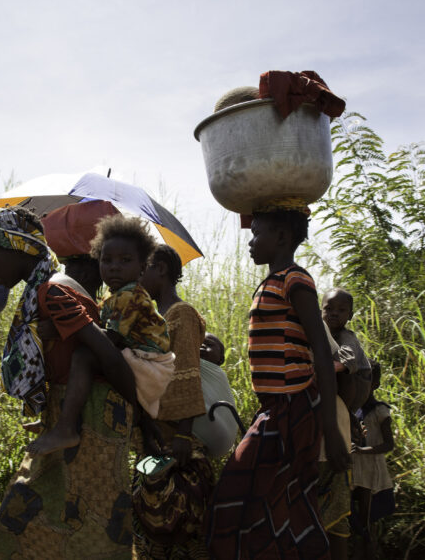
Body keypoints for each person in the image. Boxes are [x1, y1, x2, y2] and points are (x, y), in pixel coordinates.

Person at [0, 207, 150, 559]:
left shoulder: (52, 292)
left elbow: (106, 355)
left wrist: (145, 420)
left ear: (16, 248)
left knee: (90, 523)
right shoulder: (45, 290)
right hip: (75, 414)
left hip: (93, 419)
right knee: (57, 521)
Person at [206, 208, 348, 559]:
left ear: (282, 237)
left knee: (238, 497)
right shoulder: (272, 282)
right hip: (276, 409)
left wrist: (330, 428)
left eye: (256, 234)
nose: (250, 243)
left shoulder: (294, 280)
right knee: (277, 504)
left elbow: (319, 349)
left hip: (294, 407)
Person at [27, 215, 174, 456]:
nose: (114, 266)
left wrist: (61, 328)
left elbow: (109, 340)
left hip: (151, 367)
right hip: (136, 358)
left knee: (85, 355)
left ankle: (65, 428)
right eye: (107, 260)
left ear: (142, 268)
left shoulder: (131, 296)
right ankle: (55, 417)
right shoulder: (113, 295)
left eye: (125, 260)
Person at [134, 244, 212, 559]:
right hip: (154, 435)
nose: (138, 277)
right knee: (154, 517)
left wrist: (183, 432)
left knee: (180, 519)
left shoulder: (181, 314)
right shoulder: (155, 318)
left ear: (162, 269)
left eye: (143, 269)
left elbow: (187, 375)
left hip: (176, 438)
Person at [319, 287, 372, 558]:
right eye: (328, 309)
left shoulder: (345, 337)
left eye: (340, 310)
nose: (333, 314)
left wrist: (318, 366)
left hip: (357, 384)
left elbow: (348, 364)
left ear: (350, 315)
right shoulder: (325, 335)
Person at [350, 362, 394, 559]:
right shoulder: (353, 410)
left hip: (370, 470)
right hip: (355, 469)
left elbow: (388, 445)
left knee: (367, 519)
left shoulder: (379, 411)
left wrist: (363, 450)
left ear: (375, 384)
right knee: (353, 518)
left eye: (367, 380)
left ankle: (369, 551)